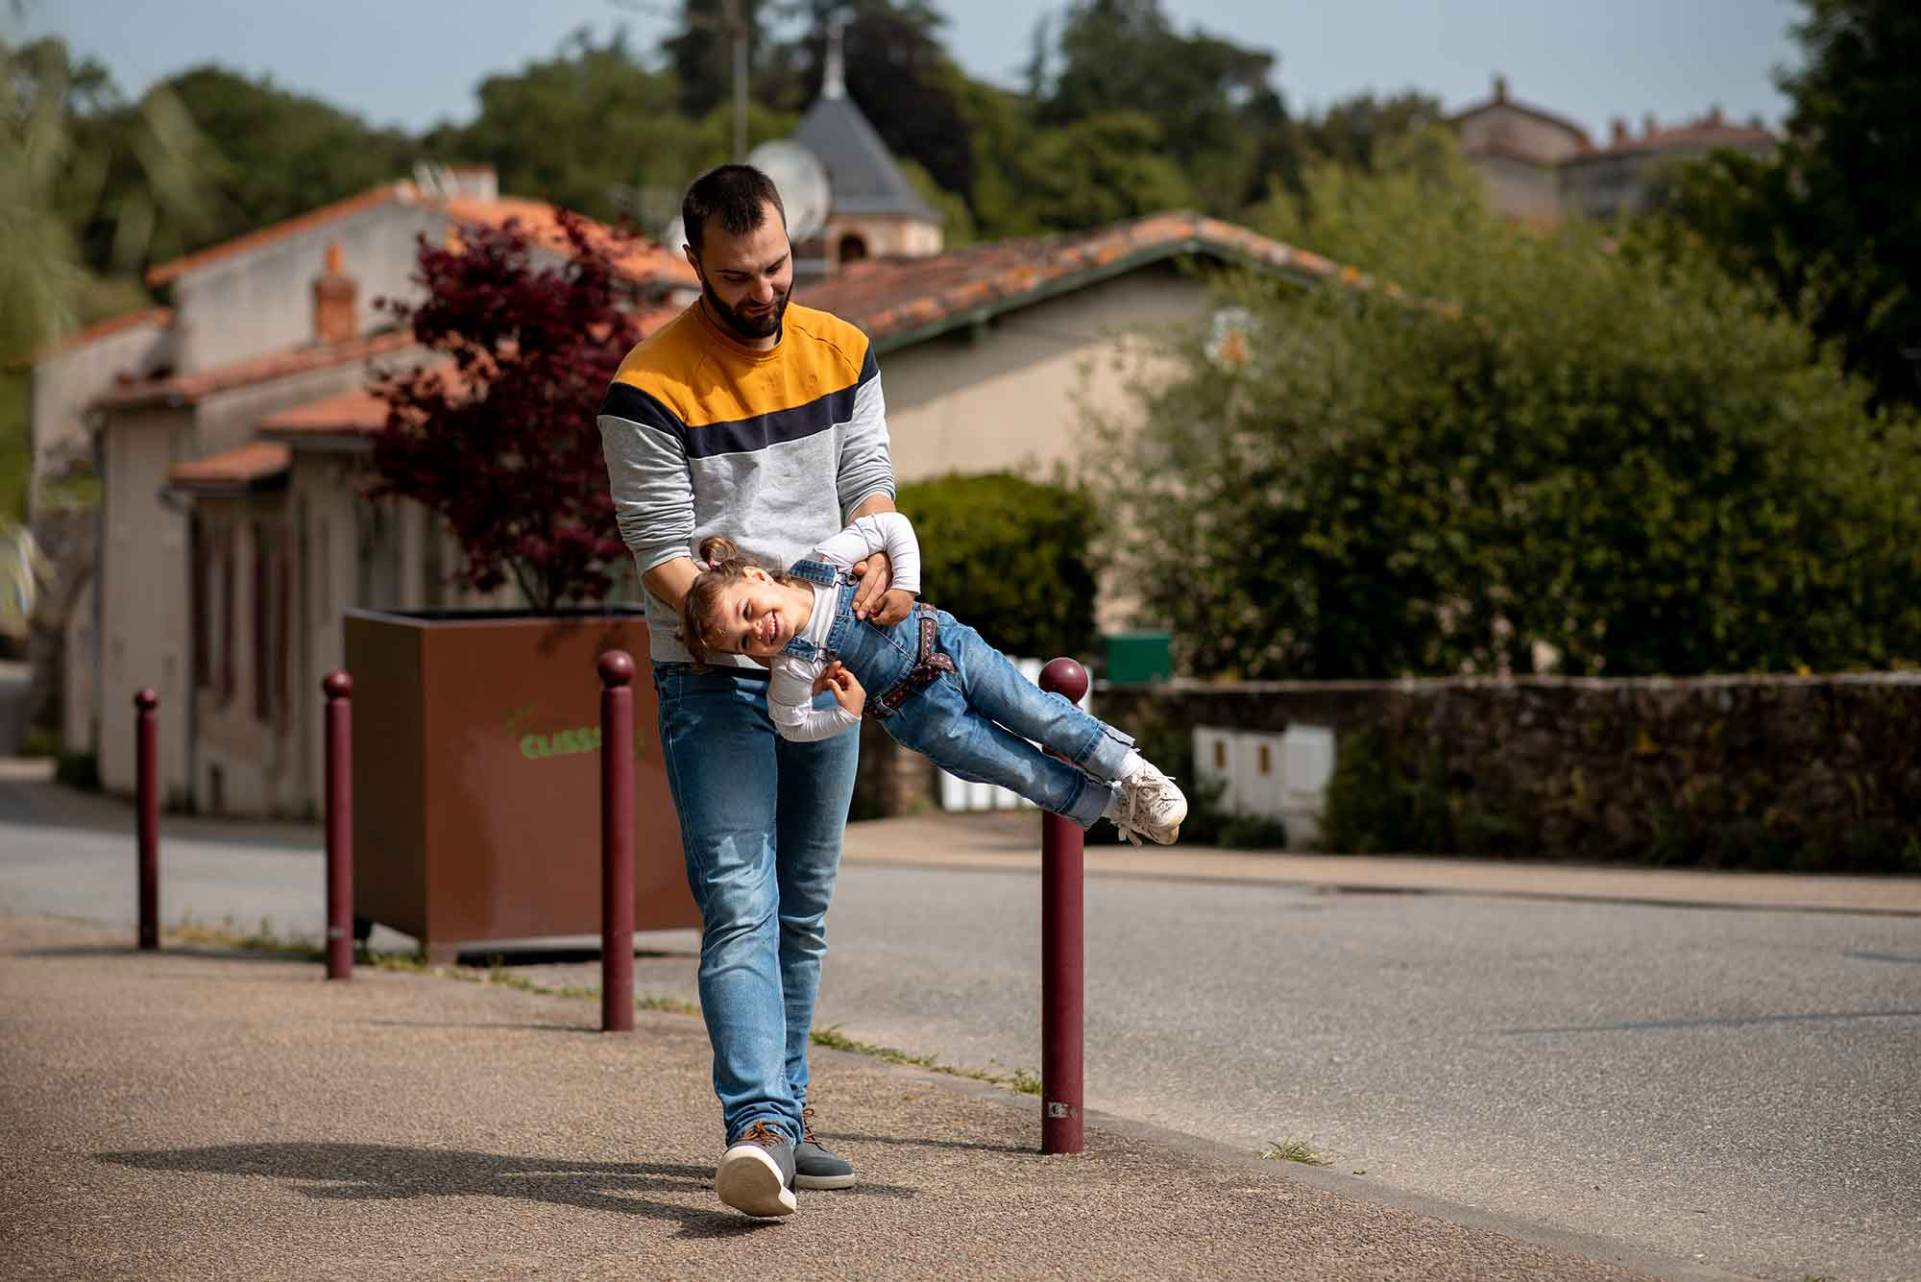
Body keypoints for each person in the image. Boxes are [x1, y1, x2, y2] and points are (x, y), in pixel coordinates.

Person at [597, 164, 911, 1219]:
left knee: (805, 911)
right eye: (737, 276)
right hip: (713, 676)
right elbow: (660, 552)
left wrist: (874, 558)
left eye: (776, 265)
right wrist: (740, 612)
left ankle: (789, 1110)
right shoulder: (647, 384)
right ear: (694, 264)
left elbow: (868, 475)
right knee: (742, 904)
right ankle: (759, 1128)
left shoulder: (842, 349)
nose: (763, 290)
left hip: (827, 658)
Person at [677, 513, 1189, 843]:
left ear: (759, 577)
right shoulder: (792, 666)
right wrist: (845, 715)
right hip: (922, 717)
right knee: (1018, 769)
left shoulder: (824, 563)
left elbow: (891, 527)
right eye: (743, 642)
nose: (756, 629)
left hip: (948, 647)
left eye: (748, 611)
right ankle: (1117, 808)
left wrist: (904, 586)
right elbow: (789, 722)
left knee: (1039, 712)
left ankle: (1135, 772)